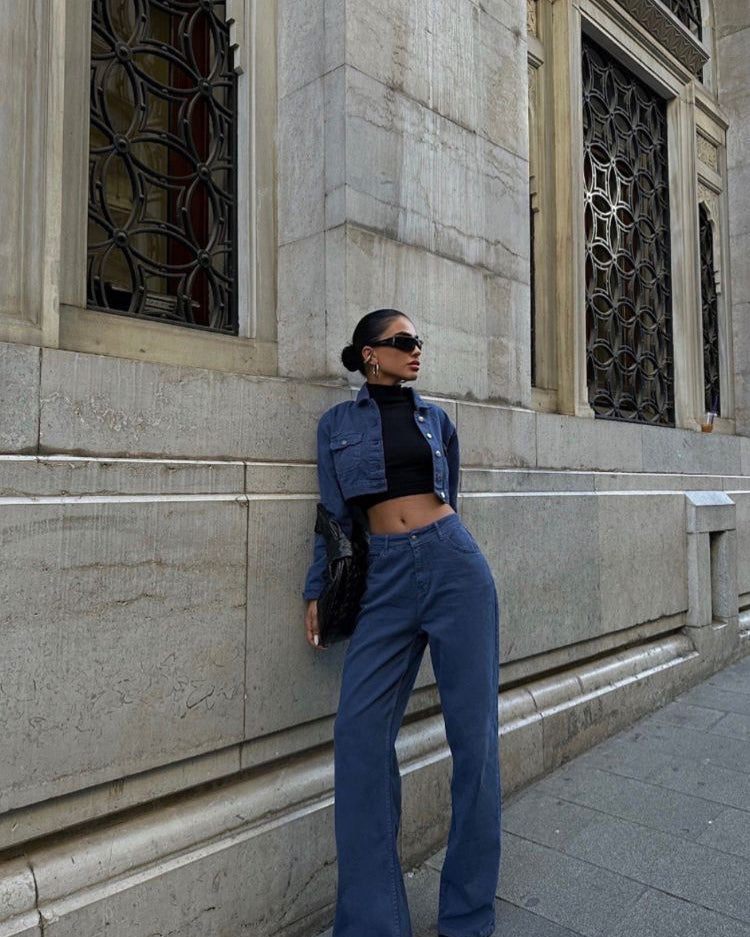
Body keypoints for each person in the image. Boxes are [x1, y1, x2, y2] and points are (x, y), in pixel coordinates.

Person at [303, 308, 501, 937]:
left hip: (454, 567)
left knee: (476, 743)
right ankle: (373, 925)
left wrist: (440, 548)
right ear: (370, 353)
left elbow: (451, 495)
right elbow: (334, 518)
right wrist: (316, 590)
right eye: (404, 341)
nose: (417, 351)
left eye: (419, 342)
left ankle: (467, 919)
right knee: (358, 737)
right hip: (383, 581)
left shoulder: (436, 419)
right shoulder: (335, 425)